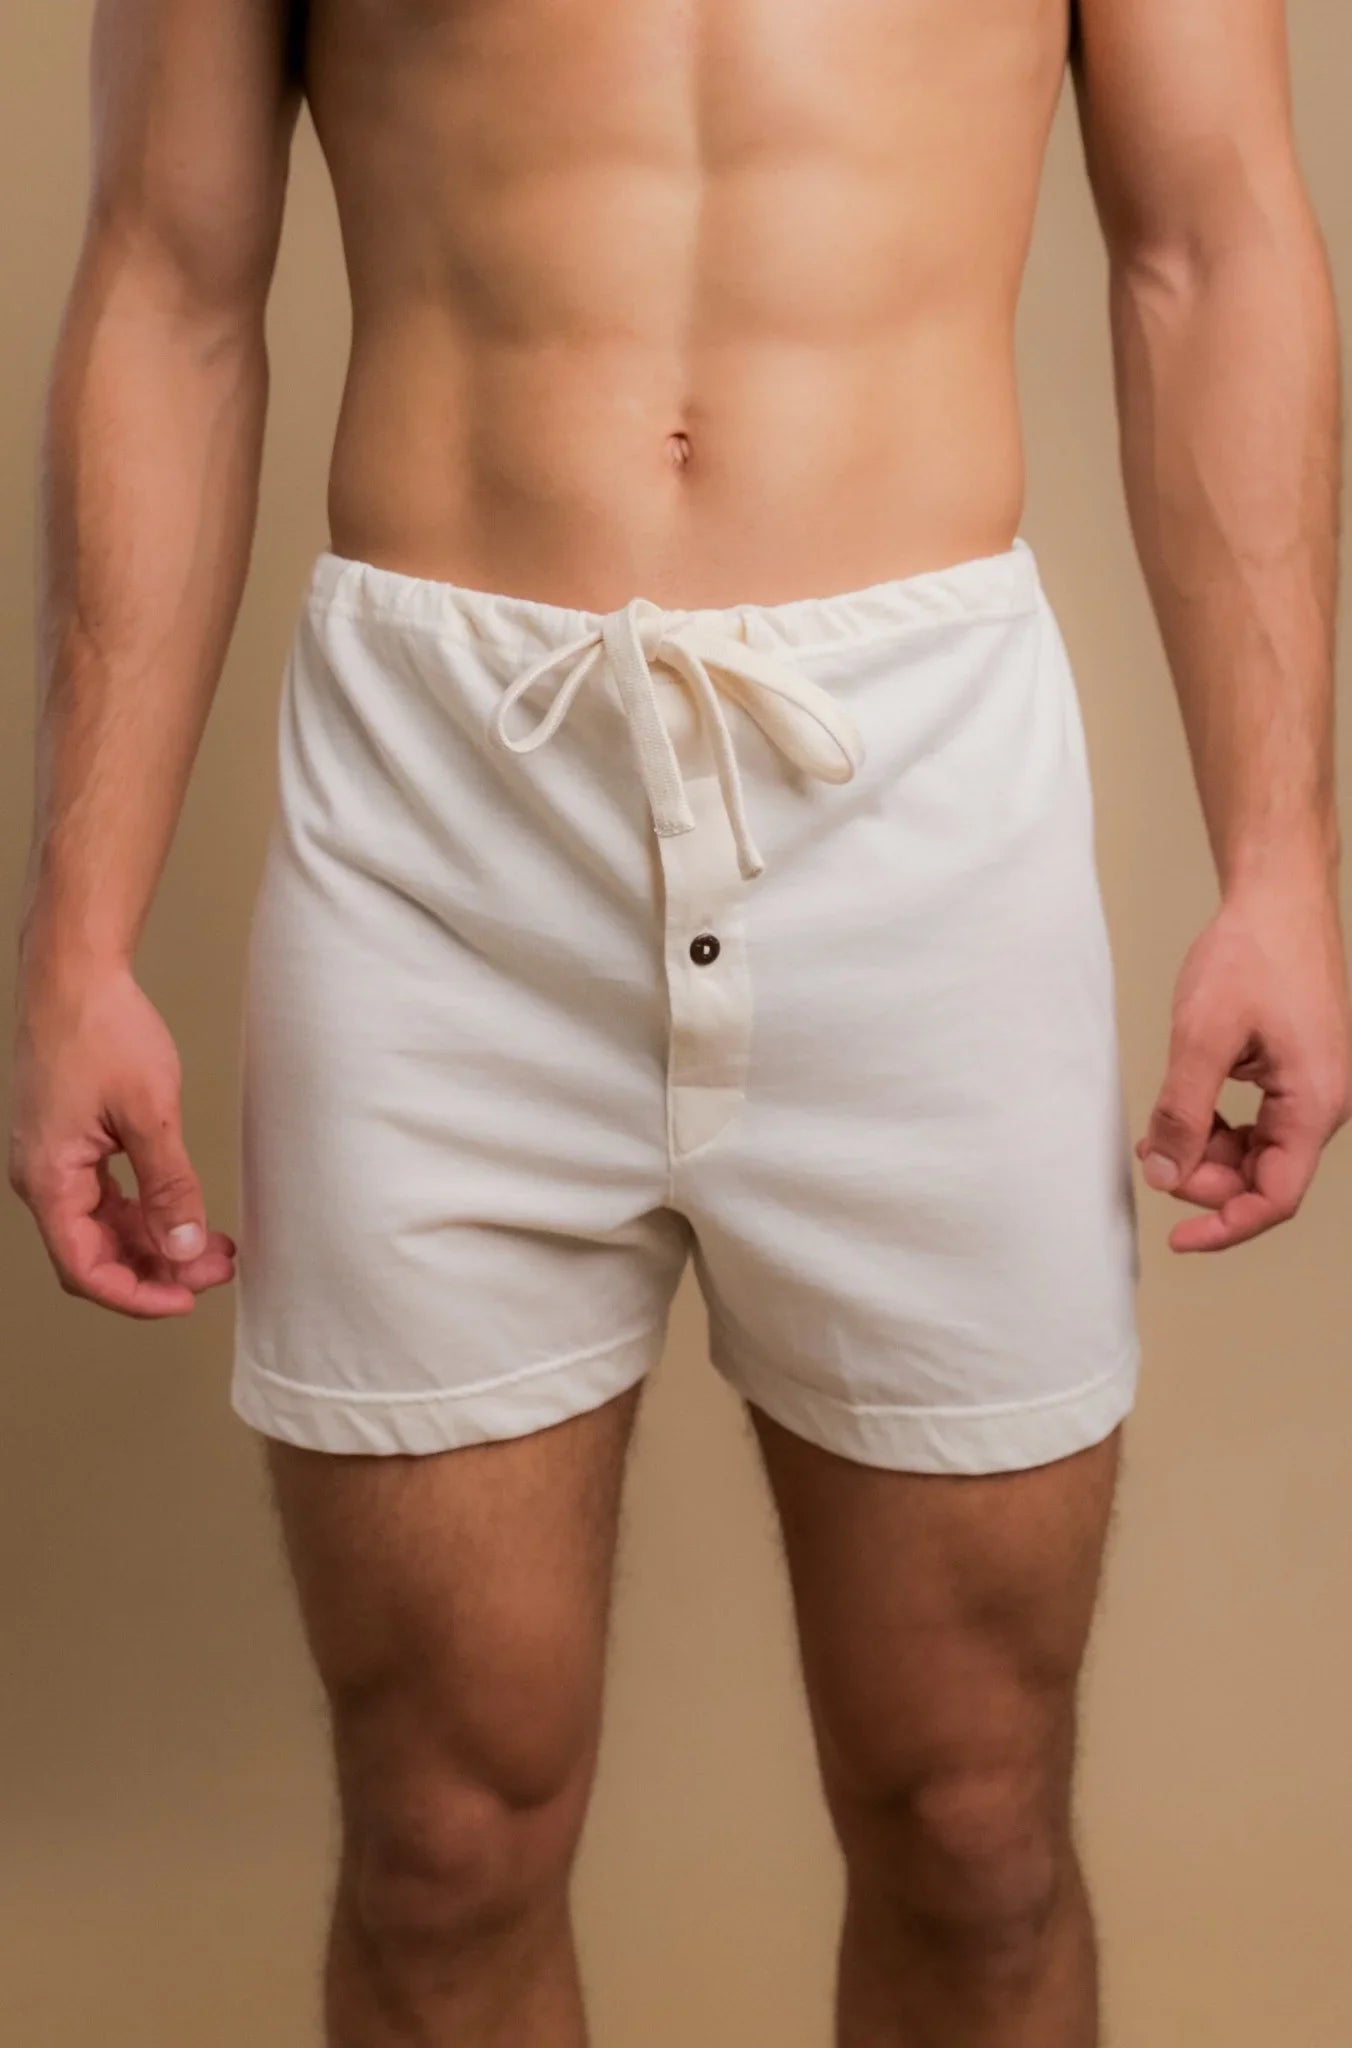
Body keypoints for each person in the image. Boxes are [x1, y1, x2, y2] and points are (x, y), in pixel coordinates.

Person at [9, 1, 1348, 2042]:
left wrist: (1280, 863)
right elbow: (169, 285)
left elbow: (1213, 240)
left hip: (915, 804)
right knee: (443, 1839)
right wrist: (78, 937)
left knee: (973, 1819)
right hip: (441, 820)